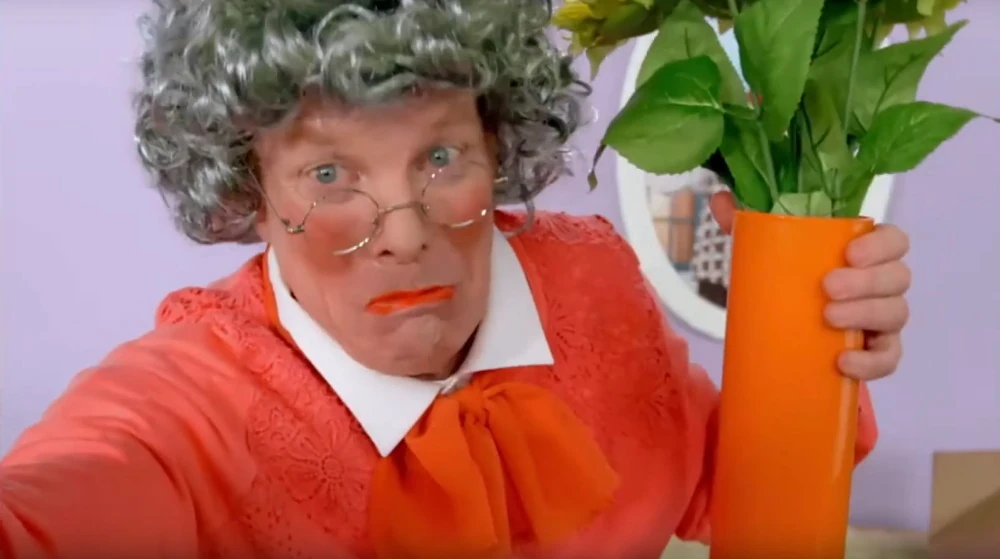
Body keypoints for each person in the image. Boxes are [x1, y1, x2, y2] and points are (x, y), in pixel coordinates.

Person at [0, 0, 912, 558]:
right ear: (250, 189)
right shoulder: (191, 403)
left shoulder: (591, 280)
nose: (404, 235)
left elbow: (730, 485)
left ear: (496, 142)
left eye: (440, 157)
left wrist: (810, 332)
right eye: (330, 174)